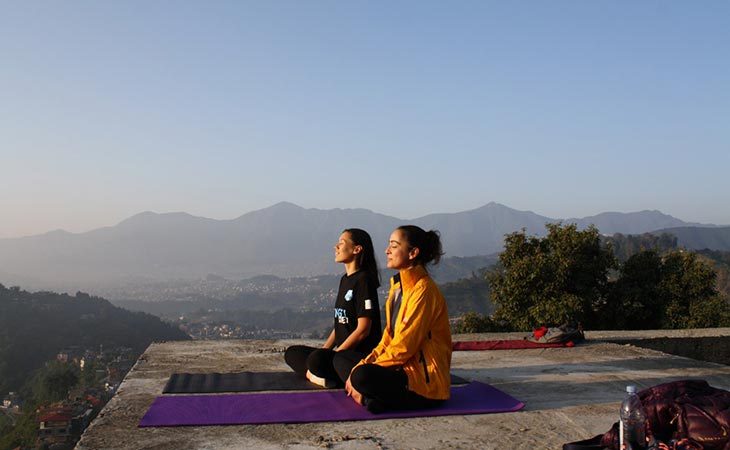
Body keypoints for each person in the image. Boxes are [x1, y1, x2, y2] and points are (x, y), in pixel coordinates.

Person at [333, 225, 452, 413]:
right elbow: (387, 339)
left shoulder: (424, 291)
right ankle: (370, 397)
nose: (387, 251)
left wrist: (361, 371)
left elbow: (404, 347)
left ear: (413, 253)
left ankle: (369, 396)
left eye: (394, 246)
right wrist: (364, 363)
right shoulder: (398, 287)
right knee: (341, 359)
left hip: (422, 382)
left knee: (361, 375)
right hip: (399, 370)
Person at [284, 228, 382, 387]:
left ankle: (322, 375)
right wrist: (325, 350)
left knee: (318, 361)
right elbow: (340, 324)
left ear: (356, 249)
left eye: (341, 243)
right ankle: (321, 377)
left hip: (354, 355)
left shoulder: (364, 280)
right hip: (339, 354)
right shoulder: (345, 280)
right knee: (292, 353)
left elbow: (363, 329)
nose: (335, 247)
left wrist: (335, 354)